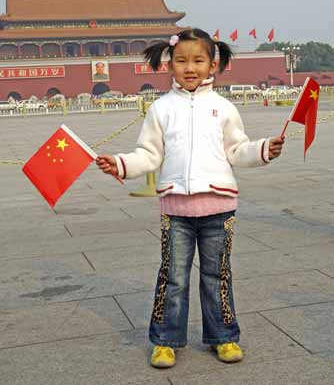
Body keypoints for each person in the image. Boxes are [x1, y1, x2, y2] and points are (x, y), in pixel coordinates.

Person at [96, 28, 284, 368]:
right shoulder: (161, 109)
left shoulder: (224, 108)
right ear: (170, 65)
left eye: (198, 60)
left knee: (218, 276)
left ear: (213, 65)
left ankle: (224, 337)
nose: (189, 67)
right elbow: (149, 155)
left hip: (219, 210)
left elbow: (237, 150)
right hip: (176, 211)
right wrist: (121, 164)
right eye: (181, 60)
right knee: (173, 276)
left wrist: (262, 149)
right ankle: (166, 340)